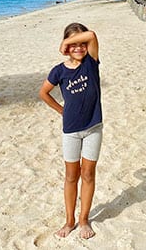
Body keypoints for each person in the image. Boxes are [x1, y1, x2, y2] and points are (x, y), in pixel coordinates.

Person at [39, 23, 102, 240]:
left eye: (81, 44)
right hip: (71, 132)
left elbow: (92, 35)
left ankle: (84, 219)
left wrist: (66, 42)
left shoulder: (91, 63)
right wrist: (61, 111)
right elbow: (44, 93)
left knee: (88, 174)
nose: (78, 48)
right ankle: (70, 220)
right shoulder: (59, 71)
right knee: (71, 176)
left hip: (93, 128)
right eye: (72, 44)